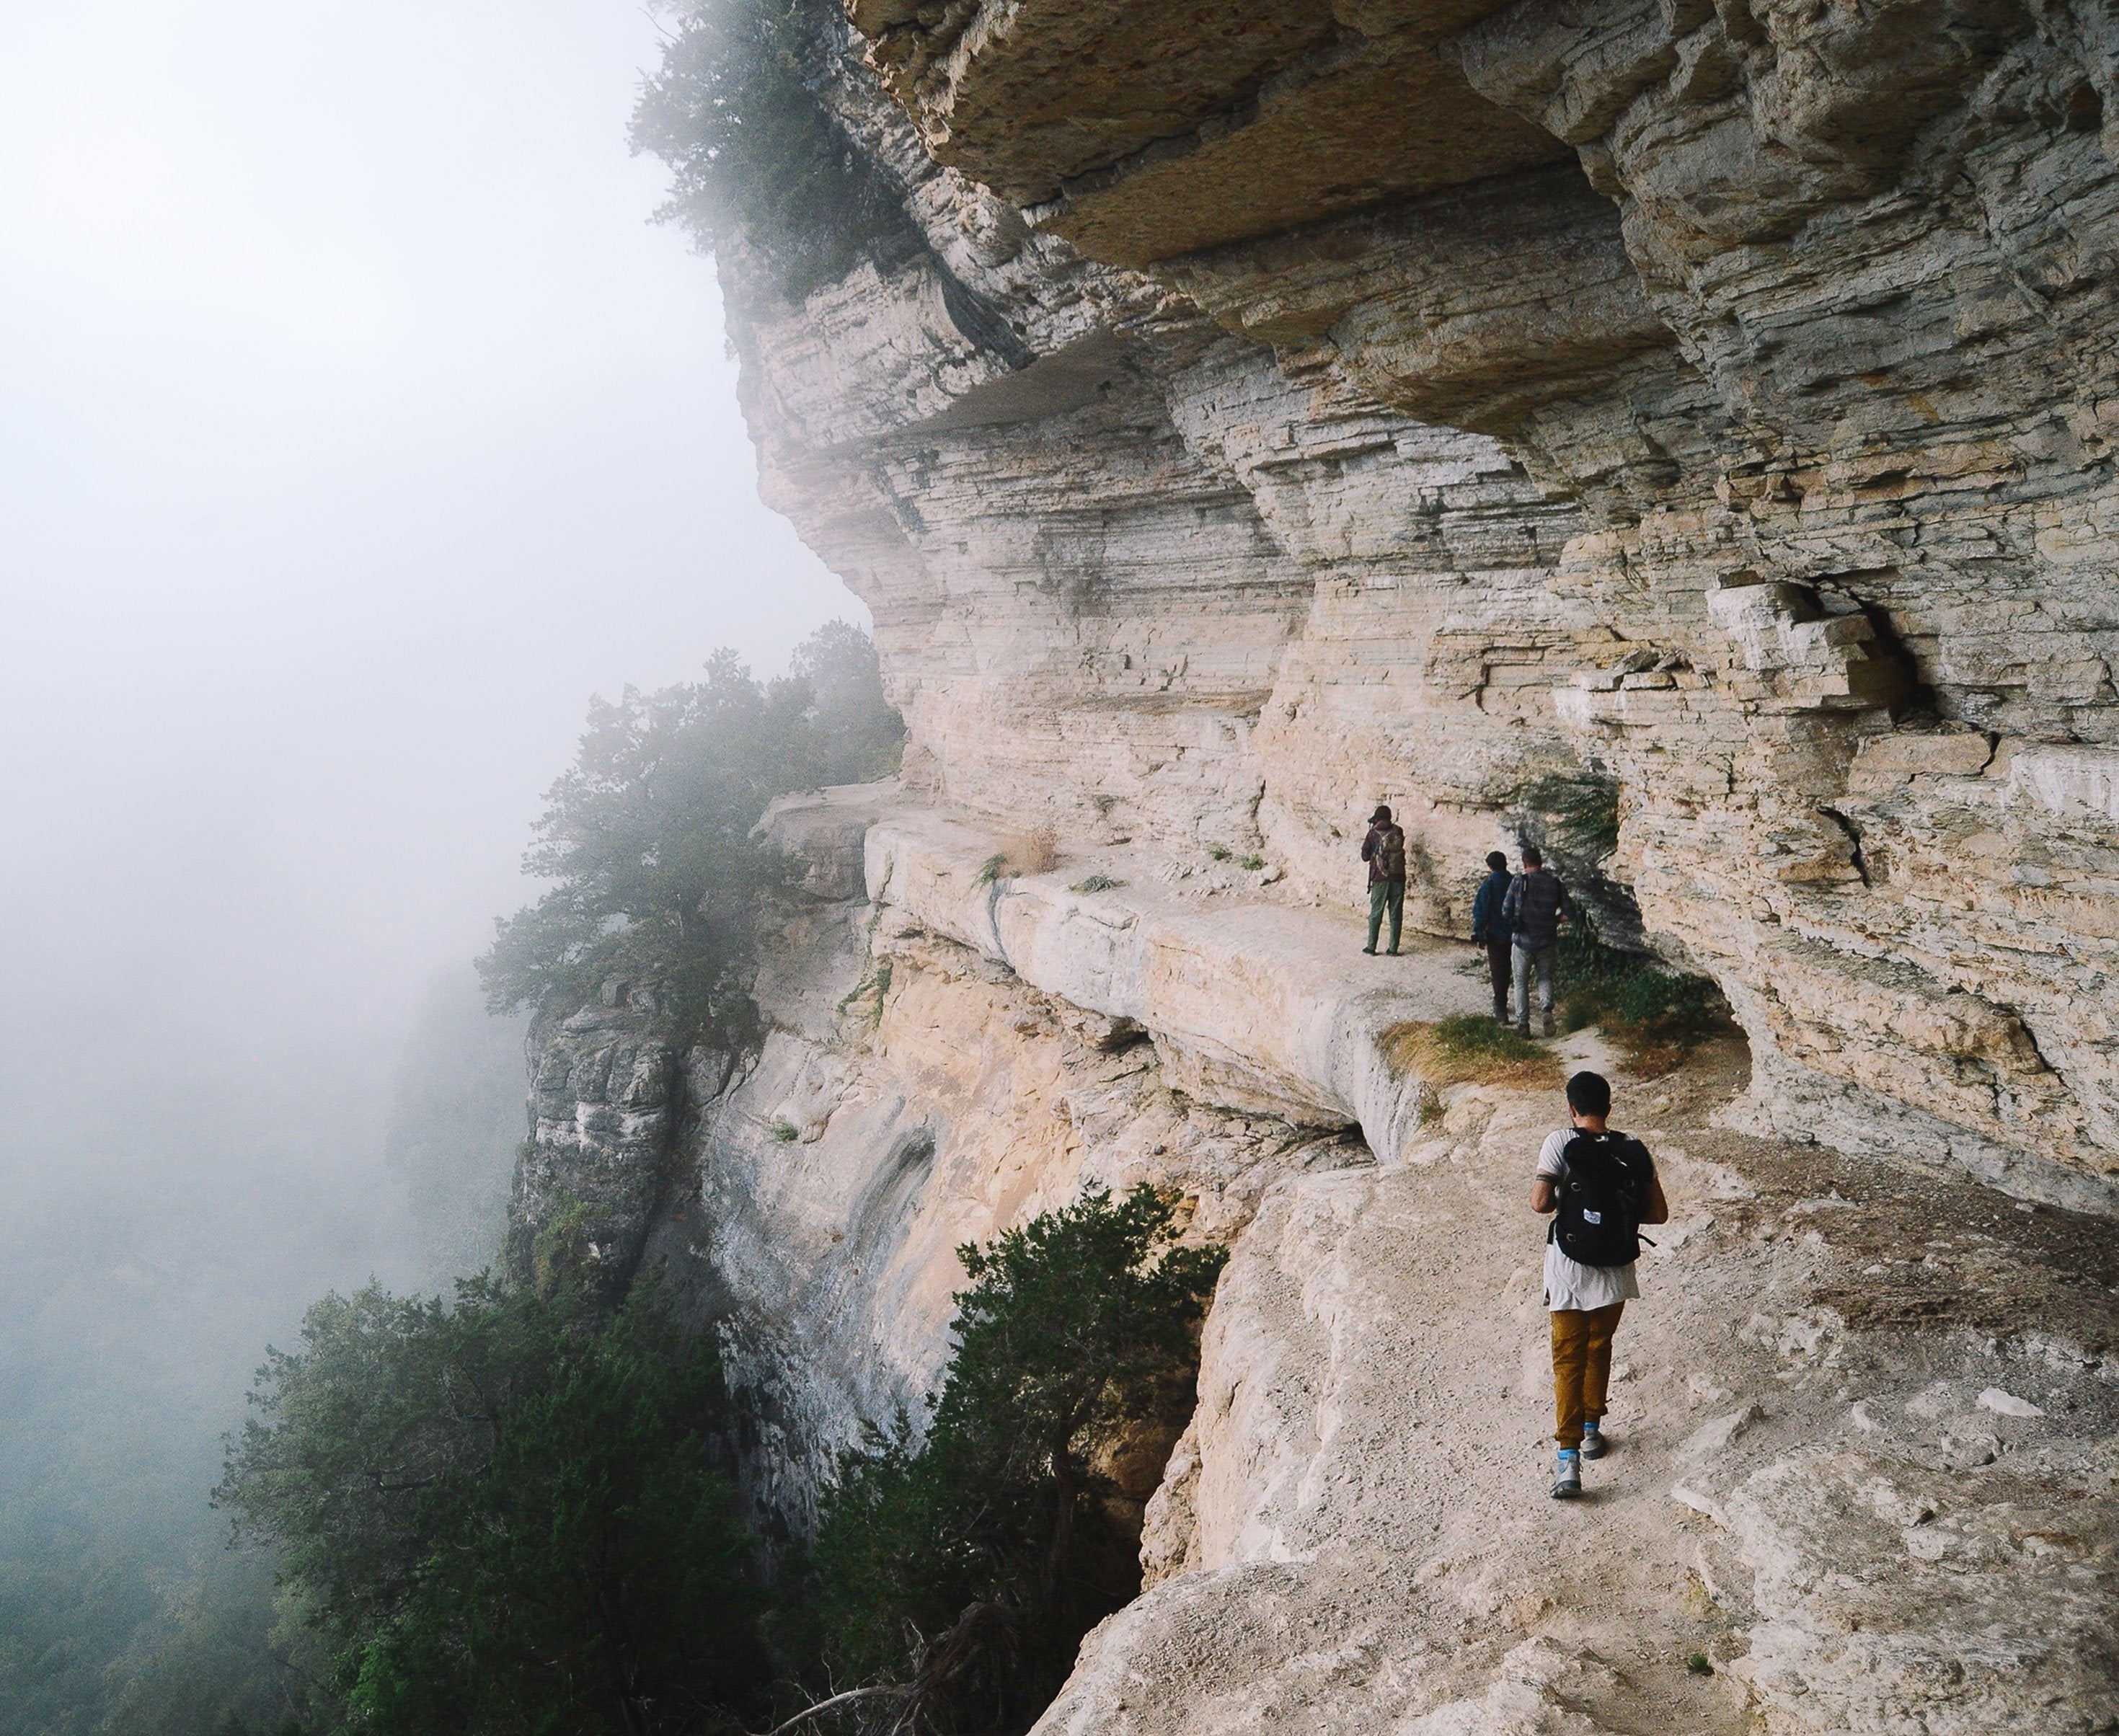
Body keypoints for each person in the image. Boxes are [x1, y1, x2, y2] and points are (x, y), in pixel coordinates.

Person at [1531, 1070, 1668, 1500]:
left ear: (1571, 1108)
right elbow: (1659, 1214)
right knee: (1599, 1345)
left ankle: (1568, 1461)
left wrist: (1574, 1206)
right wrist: (1614, 1217)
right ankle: (1592, 1430)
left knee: (1568, 1360)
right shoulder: (1633, 1147)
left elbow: (1539, 1203)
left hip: (1569, 1268)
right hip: (1616, 1270)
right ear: (1609, 1107)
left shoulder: (1560, 1141)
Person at [1501, 844, 1570, 1037]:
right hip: (1547, 940)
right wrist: (1554, 920)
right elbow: (1569, 912)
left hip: (1523, 941)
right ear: (1541, 862)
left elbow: (1505, 910)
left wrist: (1516, 920)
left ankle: (1523, 1026)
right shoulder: (1554, 883)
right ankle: (1547, 1010)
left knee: (1520, 982)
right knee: (1545, 977)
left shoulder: (1518, 881)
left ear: (1524, 864)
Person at [1469, 849, 1514, 1023]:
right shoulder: (1515, 882)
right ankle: (1517, 1005)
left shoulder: (1488, 885)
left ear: (1490, 867)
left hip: (1496, 935)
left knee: (1499, 971)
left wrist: (1479, 934)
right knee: (1514, 970)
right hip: (1516, 933)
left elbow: (1481, 912)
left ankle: (1501, 1008)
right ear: (1506, 864)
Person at [1360, 805, 1407, 956]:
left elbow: (1365, 857)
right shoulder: (1398, 831)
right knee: (1396, 914)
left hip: (1380, 878)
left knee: (1376, 913)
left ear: (1378, 818)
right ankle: (1393, 949)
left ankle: (1371, 947)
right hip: (1398, 878)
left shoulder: (1373, 834)